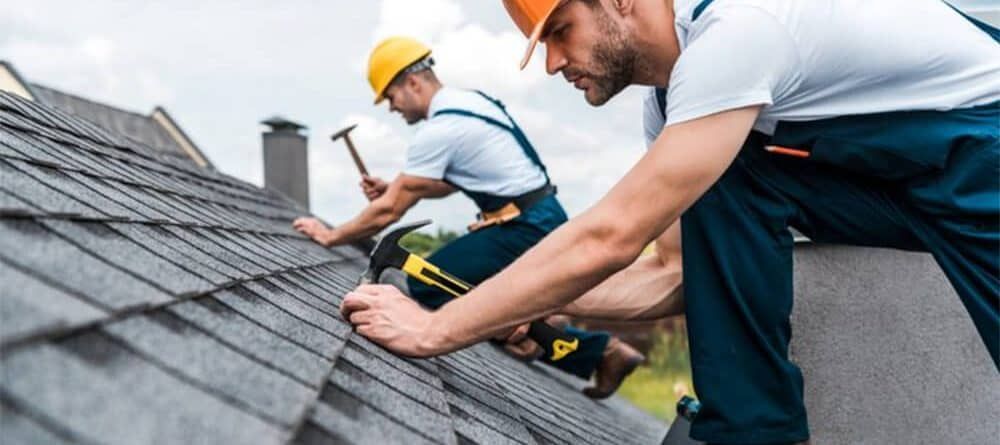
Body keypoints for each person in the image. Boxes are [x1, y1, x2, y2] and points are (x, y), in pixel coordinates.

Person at [339, 1, 999, 443]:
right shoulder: (678, 108)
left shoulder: (740, 31)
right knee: (729, 175)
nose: (552, 63)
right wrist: (512, 307)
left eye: (561, 29)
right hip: (907, 181)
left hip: (984, 147)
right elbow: (675, 275)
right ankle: (751, 431)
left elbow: (612, 234)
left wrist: (436, 327)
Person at [293, 36, 644, 399]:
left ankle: (562, 340)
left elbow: (389, 210)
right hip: (536, 217)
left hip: (522, 227)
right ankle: (586, 347)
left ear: (412, 82)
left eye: (391, 97)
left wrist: (331, 235)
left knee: (425, 285)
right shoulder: (470, 104)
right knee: (479, 295)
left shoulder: (441, 128)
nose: (392, 109)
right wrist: (395, 187)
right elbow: (444, 185)